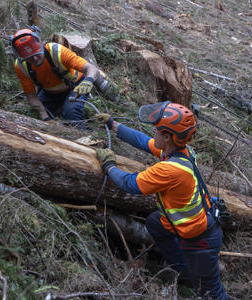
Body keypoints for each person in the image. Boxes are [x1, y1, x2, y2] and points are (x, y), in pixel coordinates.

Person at [94, 102, 229, 300]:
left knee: (210, 293)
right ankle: (183, 271)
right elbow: (143, 140)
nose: (153, 132)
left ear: (167, 136)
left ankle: (193, 277)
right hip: (197, 226)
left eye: (156, 129)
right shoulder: (181, 152)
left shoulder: (169, 170)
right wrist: (114, 125)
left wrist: (109, 165)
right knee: (155, 223)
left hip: (200, 242)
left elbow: (129, 183)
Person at [9, 26, 100, 125]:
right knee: (34, 115)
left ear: (40, 45)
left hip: (74, 86)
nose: (35, 59)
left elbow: (92, 69)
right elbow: (32, 97)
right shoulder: (21, 66)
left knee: (71, 111)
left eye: (37, 54)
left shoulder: (57, 52)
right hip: (50, 93)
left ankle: (82, 136)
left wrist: (88, 81)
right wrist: (46, 119)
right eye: (30, 57)